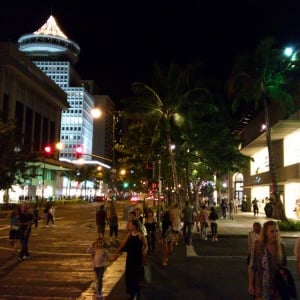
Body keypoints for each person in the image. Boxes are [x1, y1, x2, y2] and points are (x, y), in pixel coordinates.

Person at [248, 220, 290, 300]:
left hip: (277, 286)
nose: (275, 233)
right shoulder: (258, 246)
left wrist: (282, 272)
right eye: (272, 231)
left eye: (276, 231)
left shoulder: (281, 247)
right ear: (266, 233)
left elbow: (284, 265)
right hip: (261, 286)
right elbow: (253, 267)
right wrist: (250, 284)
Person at [113, 219, 148, 300]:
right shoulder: (129, 234)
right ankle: (132, 293)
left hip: (138, 258)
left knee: (137, 276)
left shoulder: (140, 235)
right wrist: (116, 252)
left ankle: (136, 293)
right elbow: (123, 244)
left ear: (134, 226)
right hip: (130, 258)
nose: (129, 225)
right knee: (129, 275)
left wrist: (144, 251)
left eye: (130, 224)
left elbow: (146, 245)